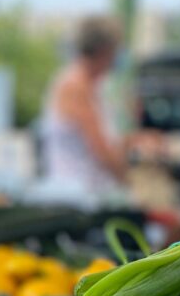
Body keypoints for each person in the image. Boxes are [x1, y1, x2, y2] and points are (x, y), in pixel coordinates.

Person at [40, 17, 128, 198]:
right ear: (104, 51)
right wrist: (131, 185)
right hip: (78, 195)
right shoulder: (75, 86)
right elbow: (102, 151)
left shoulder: (93, 86)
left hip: (89, 192)